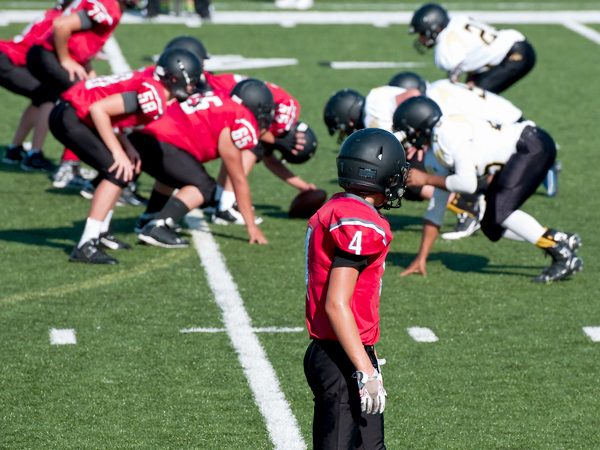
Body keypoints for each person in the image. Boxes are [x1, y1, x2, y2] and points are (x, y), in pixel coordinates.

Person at [392, 96, 582, 283]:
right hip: (522, 151)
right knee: (491, 226)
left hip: (531, 145)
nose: (409, 138)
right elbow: (436, 207)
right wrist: (421, 257)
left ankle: (562, 253)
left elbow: (467, 184)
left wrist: (425, 179)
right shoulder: (435, 149)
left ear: (420, 127)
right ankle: (558, 238)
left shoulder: (446, 133)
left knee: (501, 212)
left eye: (409, 132)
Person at [304, 128, 409, 450]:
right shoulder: (358, 222)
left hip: (350, 351)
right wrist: (365, 371)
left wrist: (369, 356)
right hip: (340, 358)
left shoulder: (342, 207)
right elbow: (337, 303)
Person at [49, 47, 201, 264]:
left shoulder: (154, 85)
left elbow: (115, 117)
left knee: (122, 170)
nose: (192, 87)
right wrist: (117, 151)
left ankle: (99, 232)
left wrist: (126, 147)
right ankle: (86, 244)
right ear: (175, 78)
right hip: (72, 115)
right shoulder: (154, 95)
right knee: (116, 172)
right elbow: (99, 110)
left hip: (71, 112)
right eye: (191, 82)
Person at [129, 78, 270, 247]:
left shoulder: (219, 97)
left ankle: (150, 216)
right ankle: (158, 227)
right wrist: (252, 226)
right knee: (206, 188)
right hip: (162, 144)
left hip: (141, 140)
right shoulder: (237, 117)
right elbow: (238, 179)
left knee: (177, 172)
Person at [26, 0, 138, 187]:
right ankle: (69, 167)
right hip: (48, 54)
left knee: (89, 95)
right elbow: (61, 25)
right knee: (82, 105)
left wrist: (86, 68)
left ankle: (72, 163)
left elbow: (80, 40)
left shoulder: (112, 7)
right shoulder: (108, 6)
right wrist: (65, 60)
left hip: (47, 54)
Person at [201, 72, 319, 225]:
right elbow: (258, 136)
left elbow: (270, 161)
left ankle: (217, 199)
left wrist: (303, 186)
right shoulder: (284, 114)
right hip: (216, 92)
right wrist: (276, 140)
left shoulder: (281, 114)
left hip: (218, 88)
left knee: (243, 142)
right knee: (250, 143)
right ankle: (226, 207)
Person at [0, 0, 74, 169]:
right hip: (7, 59)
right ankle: (34, 154)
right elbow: (49, 47)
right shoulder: (62, 19)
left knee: (40, 96)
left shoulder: (54, 14)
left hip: (7, 56)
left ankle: (14, 150)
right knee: (49, 95)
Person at [409, 3, 536, 93]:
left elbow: (454, 79)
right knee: (475, 96)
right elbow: (473, 55)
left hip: (514, 56)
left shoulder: (446, 42)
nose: (421, 38)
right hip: (519, 47)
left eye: (422, 33)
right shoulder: (458, 21)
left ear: (436, 28)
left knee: (476, 99)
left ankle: (518, 129)